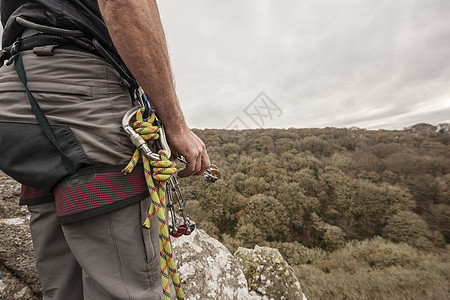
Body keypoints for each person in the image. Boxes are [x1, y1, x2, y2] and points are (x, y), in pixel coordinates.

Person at [0, 0, 210, 299]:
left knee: (62, 288)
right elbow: (123, 4)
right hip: (81, 94)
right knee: (126, 289)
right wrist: (175, 126)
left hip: (16, 99)